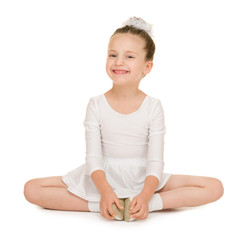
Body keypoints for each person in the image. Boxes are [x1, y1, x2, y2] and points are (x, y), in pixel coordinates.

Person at [24, 17, 224, 222]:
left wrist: (147, 196)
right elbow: (94, 159)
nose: (119, 61)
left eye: (129, 56)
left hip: (144, 178)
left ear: (147, 67)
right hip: (101, 178)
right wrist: (105, 192)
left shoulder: (153, 106)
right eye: (113, 54)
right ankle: (106, 204)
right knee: (31, 189)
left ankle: (146, 205)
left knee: (215, 187)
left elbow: (155, 162)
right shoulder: (96, 104)